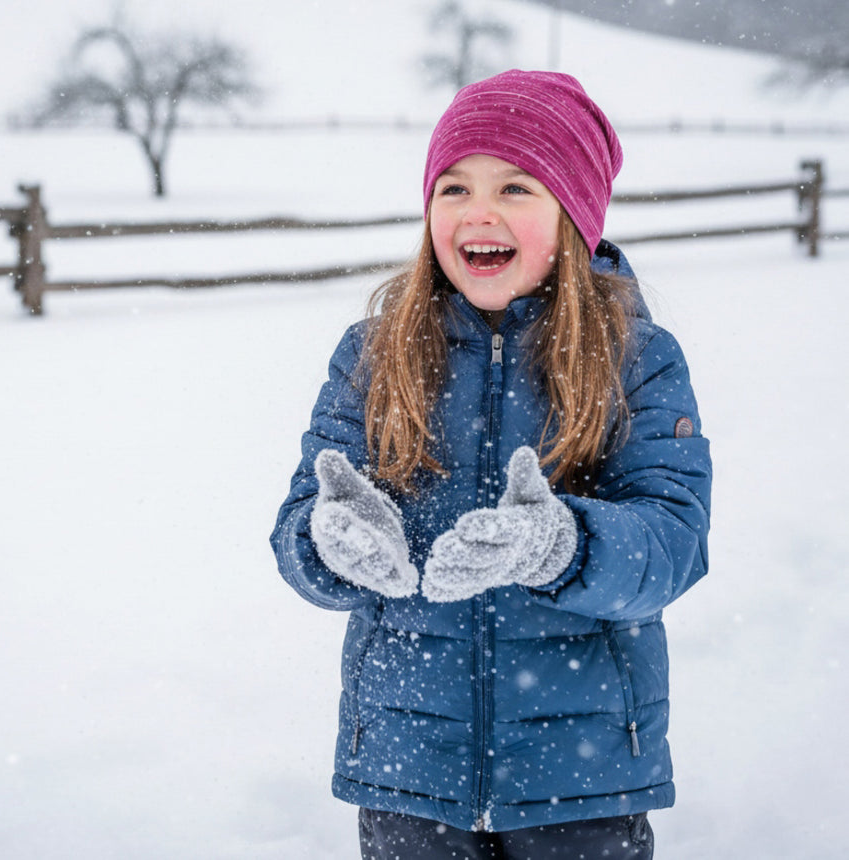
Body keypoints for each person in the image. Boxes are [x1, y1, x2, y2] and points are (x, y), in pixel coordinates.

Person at [271, 69, 711, 859]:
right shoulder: (375, 356)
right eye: (453, 187)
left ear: (572, 213)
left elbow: (673, 542)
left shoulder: (635, 360)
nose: (478, 210)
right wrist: (327, 540)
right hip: (409, 772)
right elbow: (300, 525)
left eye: (515, 187)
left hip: (581, 781)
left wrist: (561, 545)